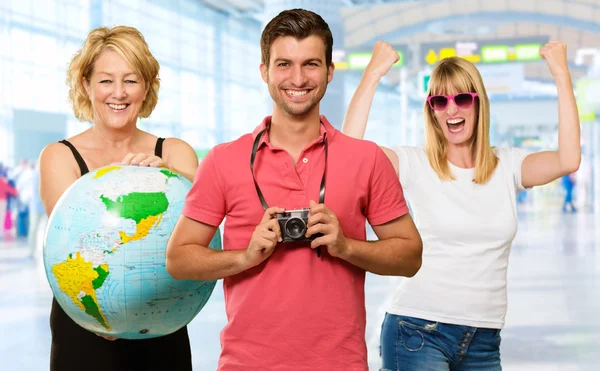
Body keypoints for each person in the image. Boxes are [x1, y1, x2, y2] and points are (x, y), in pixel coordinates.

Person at [165, 9, 423, 371]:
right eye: (284, 64)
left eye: (311, 64)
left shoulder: (366, 158)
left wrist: (346, 246)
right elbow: (178, 259)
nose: (298, 78)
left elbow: (411, 257)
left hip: (340, 363)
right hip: (246, 364)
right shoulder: (224, 160)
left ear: (330, 72)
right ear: (264, 71)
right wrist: (244, 257)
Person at [341, 40, 581, 370]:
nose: (451, 110)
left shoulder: (508, 165)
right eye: (440, 101)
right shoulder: (416, 163)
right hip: (417, 331)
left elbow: (568, 159)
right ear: (432, 111)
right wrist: (373, 72)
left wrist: (560, 73)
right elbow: (350, 156)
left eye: (462, 98)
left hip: (484, 341)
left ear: (479, 104)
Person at [39, 26, 198, 371]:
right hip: (88, 320)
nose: (119, 93)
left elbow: (200, 229)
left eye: (131, 80)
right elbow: (72, 246)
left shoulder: (174, 152)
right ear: (86, 85)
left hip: (161, 322)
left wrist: (169, 178)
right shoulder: (59, 156)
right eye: (106, 80)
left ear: (147, 87)